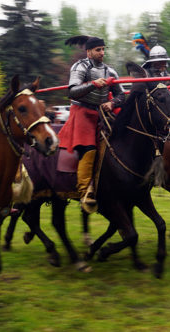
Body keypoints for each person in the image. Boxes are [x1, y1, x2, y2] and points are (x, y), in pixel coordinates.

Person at [57, 35, 124, 213]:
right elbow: (72, 92)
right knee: (89, 148)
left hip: (102, 114)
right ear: (89, 52)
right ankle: (86, 191)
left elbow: (121, 95)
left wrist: (112, 103)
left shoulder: (111, 71)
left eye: (103, 49)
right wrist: (93, 85)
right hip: (82, 113)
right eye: (98, 50)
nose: (102, 53)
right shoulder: (79, 66)